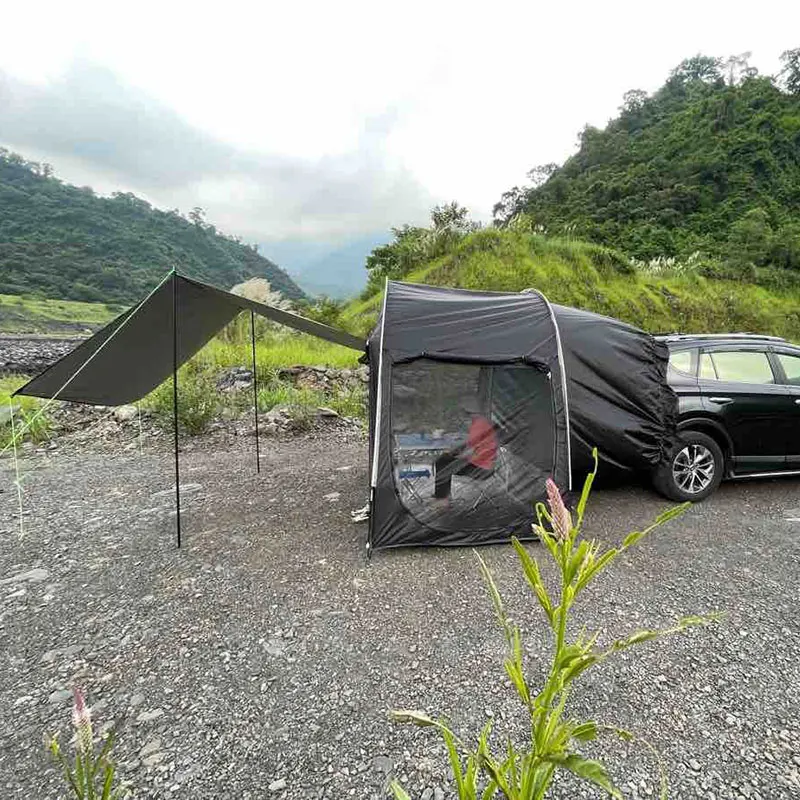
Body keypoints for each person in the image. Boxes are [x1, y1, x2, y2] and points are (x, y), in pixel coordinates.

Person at [433, 398, 498, 503]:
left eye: (464, 413)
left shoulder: (478, 426)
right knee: (445, 460)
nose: (464, 417)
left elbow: (469, 453)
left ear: (470, 413)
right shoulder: (483, 423)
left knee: (442, 463)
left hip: (481, 470)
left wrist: (454, 455)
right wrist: (453, 454)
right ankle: (444, 496)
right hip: (484, 465)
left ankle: (442, 500)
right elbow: (474, 447)